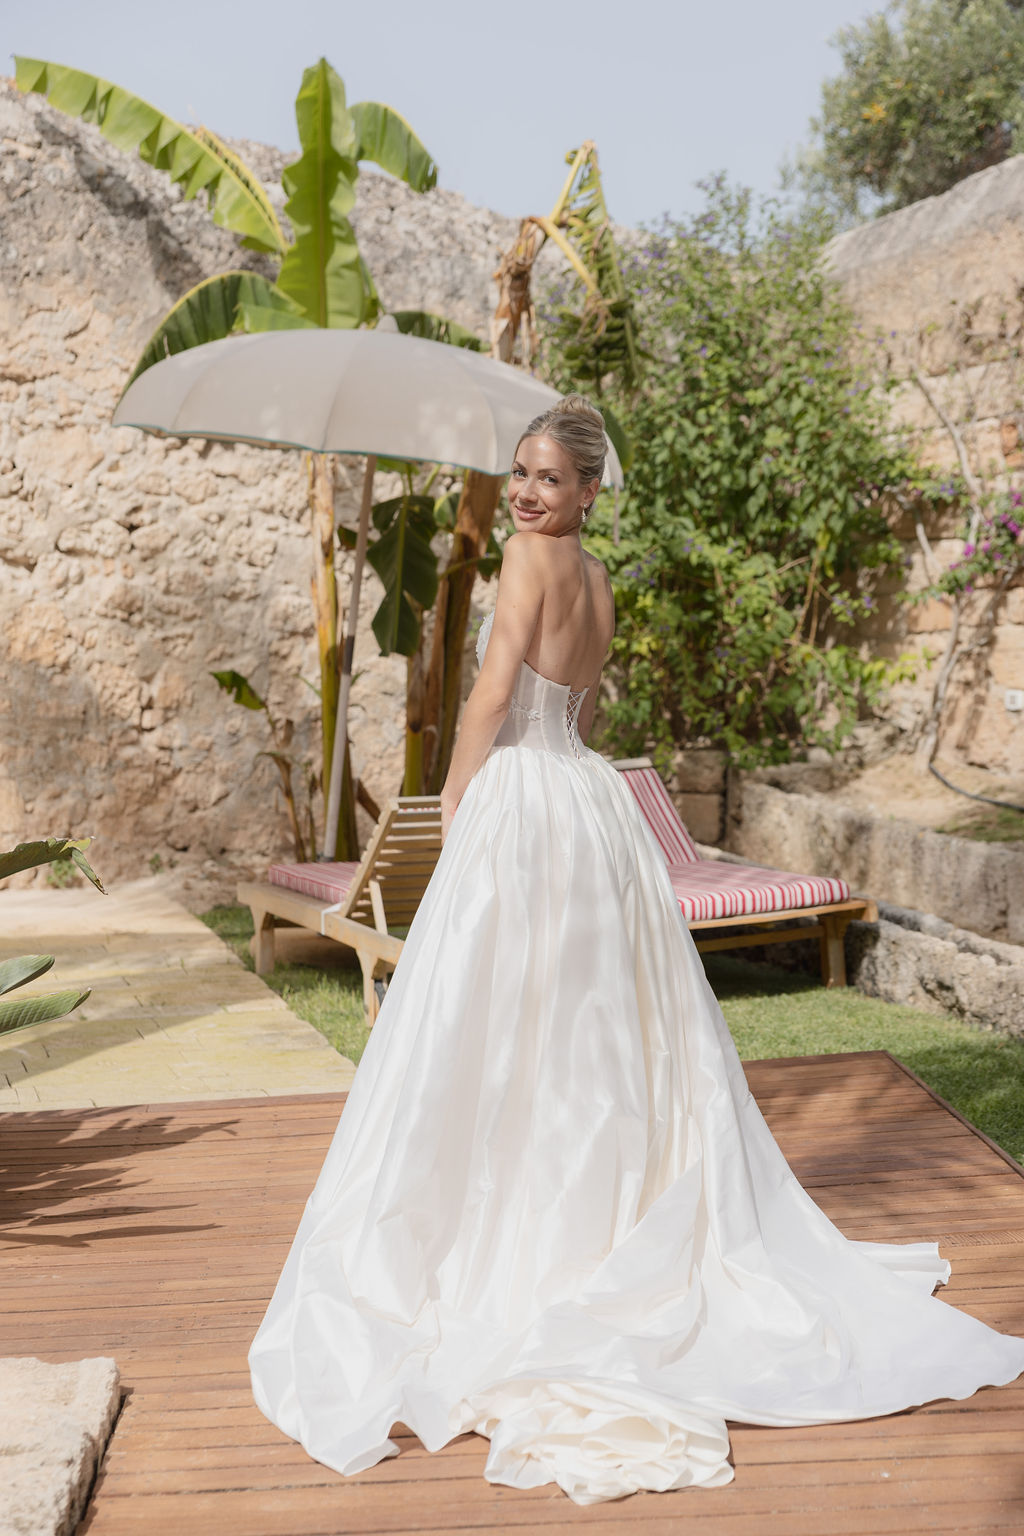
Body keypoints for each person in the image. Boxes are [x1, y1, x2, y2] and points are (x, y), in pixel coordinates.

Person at [249, 394, 1024, 1507]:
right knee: (591, 1029)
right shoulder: (602, 580)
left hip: (523, 802)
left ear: (587, 491)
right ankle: (595, 1216)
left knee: (499, 1022)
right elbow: (579, 708)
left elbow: (494, 695)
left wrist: (455, 799)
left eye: (549, 478)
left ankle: (521, 1235)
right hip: (588, 802)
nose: (527, 494)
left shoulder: (526, 561)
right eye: (520, 474)